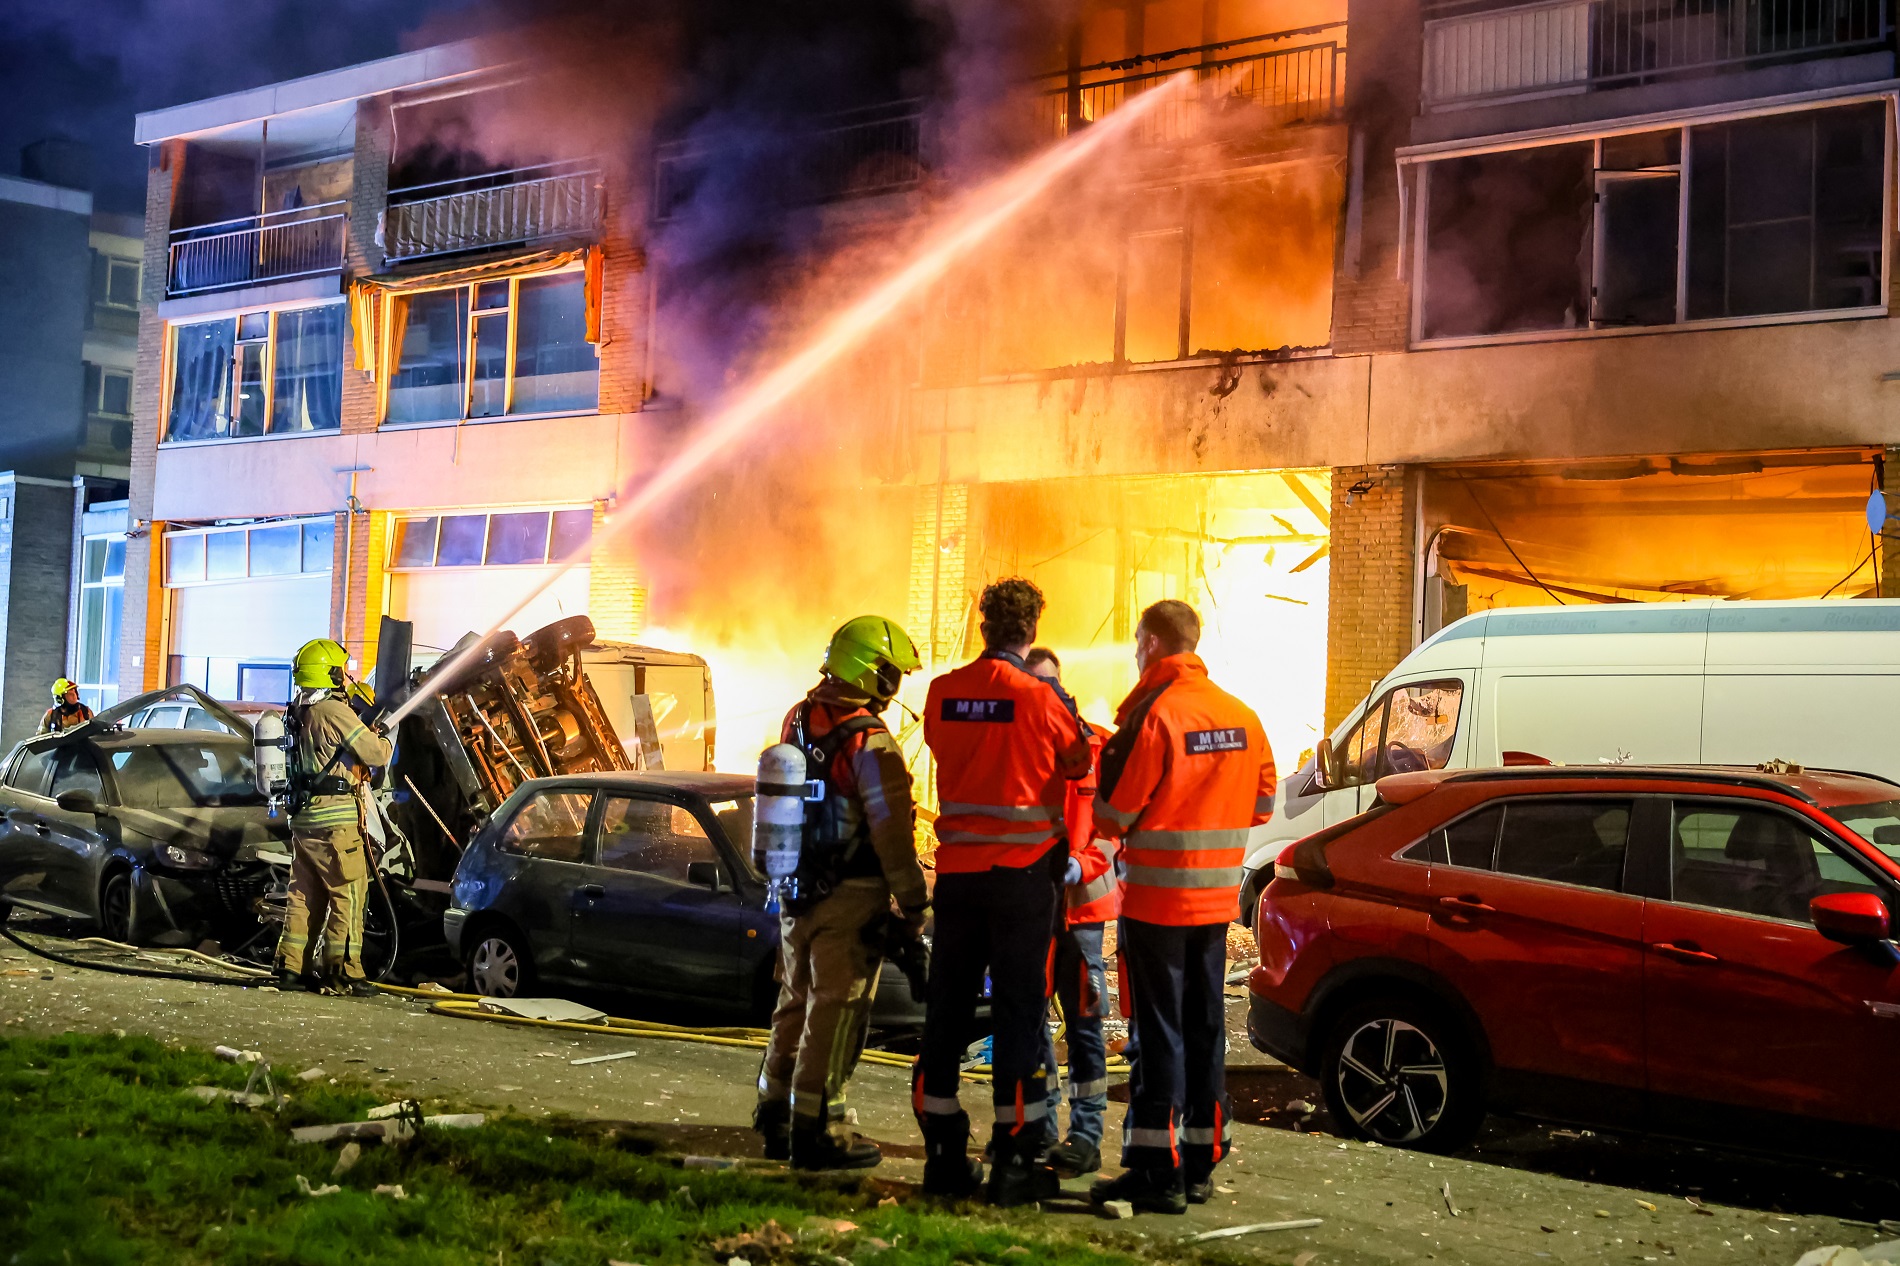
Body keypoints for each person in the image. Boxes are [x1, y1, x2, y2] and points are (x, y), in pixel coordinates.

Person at [1088, 600, 1275, 1215]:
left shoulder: (1158, 715)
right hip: (1216, 905)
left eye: (1138, 642)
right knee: (1205, 1028)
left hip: (1157, 905)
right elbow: (1264, 804)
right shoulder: (1242, 715)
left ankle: (1154, 1170)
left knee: (1157, 1034)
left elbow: (1114, 815)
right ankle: (1200, 1162)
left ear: (1151, 642)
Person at [916, 578, 1091, 1205]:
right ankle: (1015, 1158)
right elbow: (1078, 764)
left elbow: (944, 747)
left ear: (982, 625)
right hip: (1022, 883)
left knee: (947, 1012)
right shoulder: (1042, 699)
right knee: (1021, 1015)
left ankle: (941, 1152)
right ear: (1032, 631)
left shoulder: (942, 692)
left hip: (958, 879)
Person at [754, 616, 931, 1171]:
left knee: (795, 1001)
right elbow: (891, 833)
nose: (893, 683)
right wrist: (914, 898)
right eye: (890, 673)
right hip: (850, 895)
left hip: (794, 891)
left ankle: (774, 1113)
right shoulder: (870, 742)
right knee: (837, 1008)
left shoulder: (797, 718)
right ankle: (818, 1127)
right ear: (871, 671)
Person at [1023, 647, 1115, 1177]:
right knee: (1031, 1024)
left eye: (1050, 687)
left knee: (1083, 1025)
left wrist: (1081, 865)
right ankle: (1040, 1131)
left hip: (1081, 912)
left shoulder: (1100, 747)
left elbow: (1115, 825)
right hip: (1031, 913)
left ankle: (1085, 1135)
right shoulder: (1015, 748)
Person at [273, 638, 392, 997]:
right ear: (333, 672)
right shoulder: (334, 711)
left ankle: (292, 969)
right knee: (348, 895)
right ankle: (343, 973)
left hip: (304, 821)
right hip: (337, 824)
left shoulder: (295, 710)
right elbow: (375, 754)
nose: (347, 674)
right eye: (343, 668)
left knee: (304, 895)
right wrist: (383, 736)